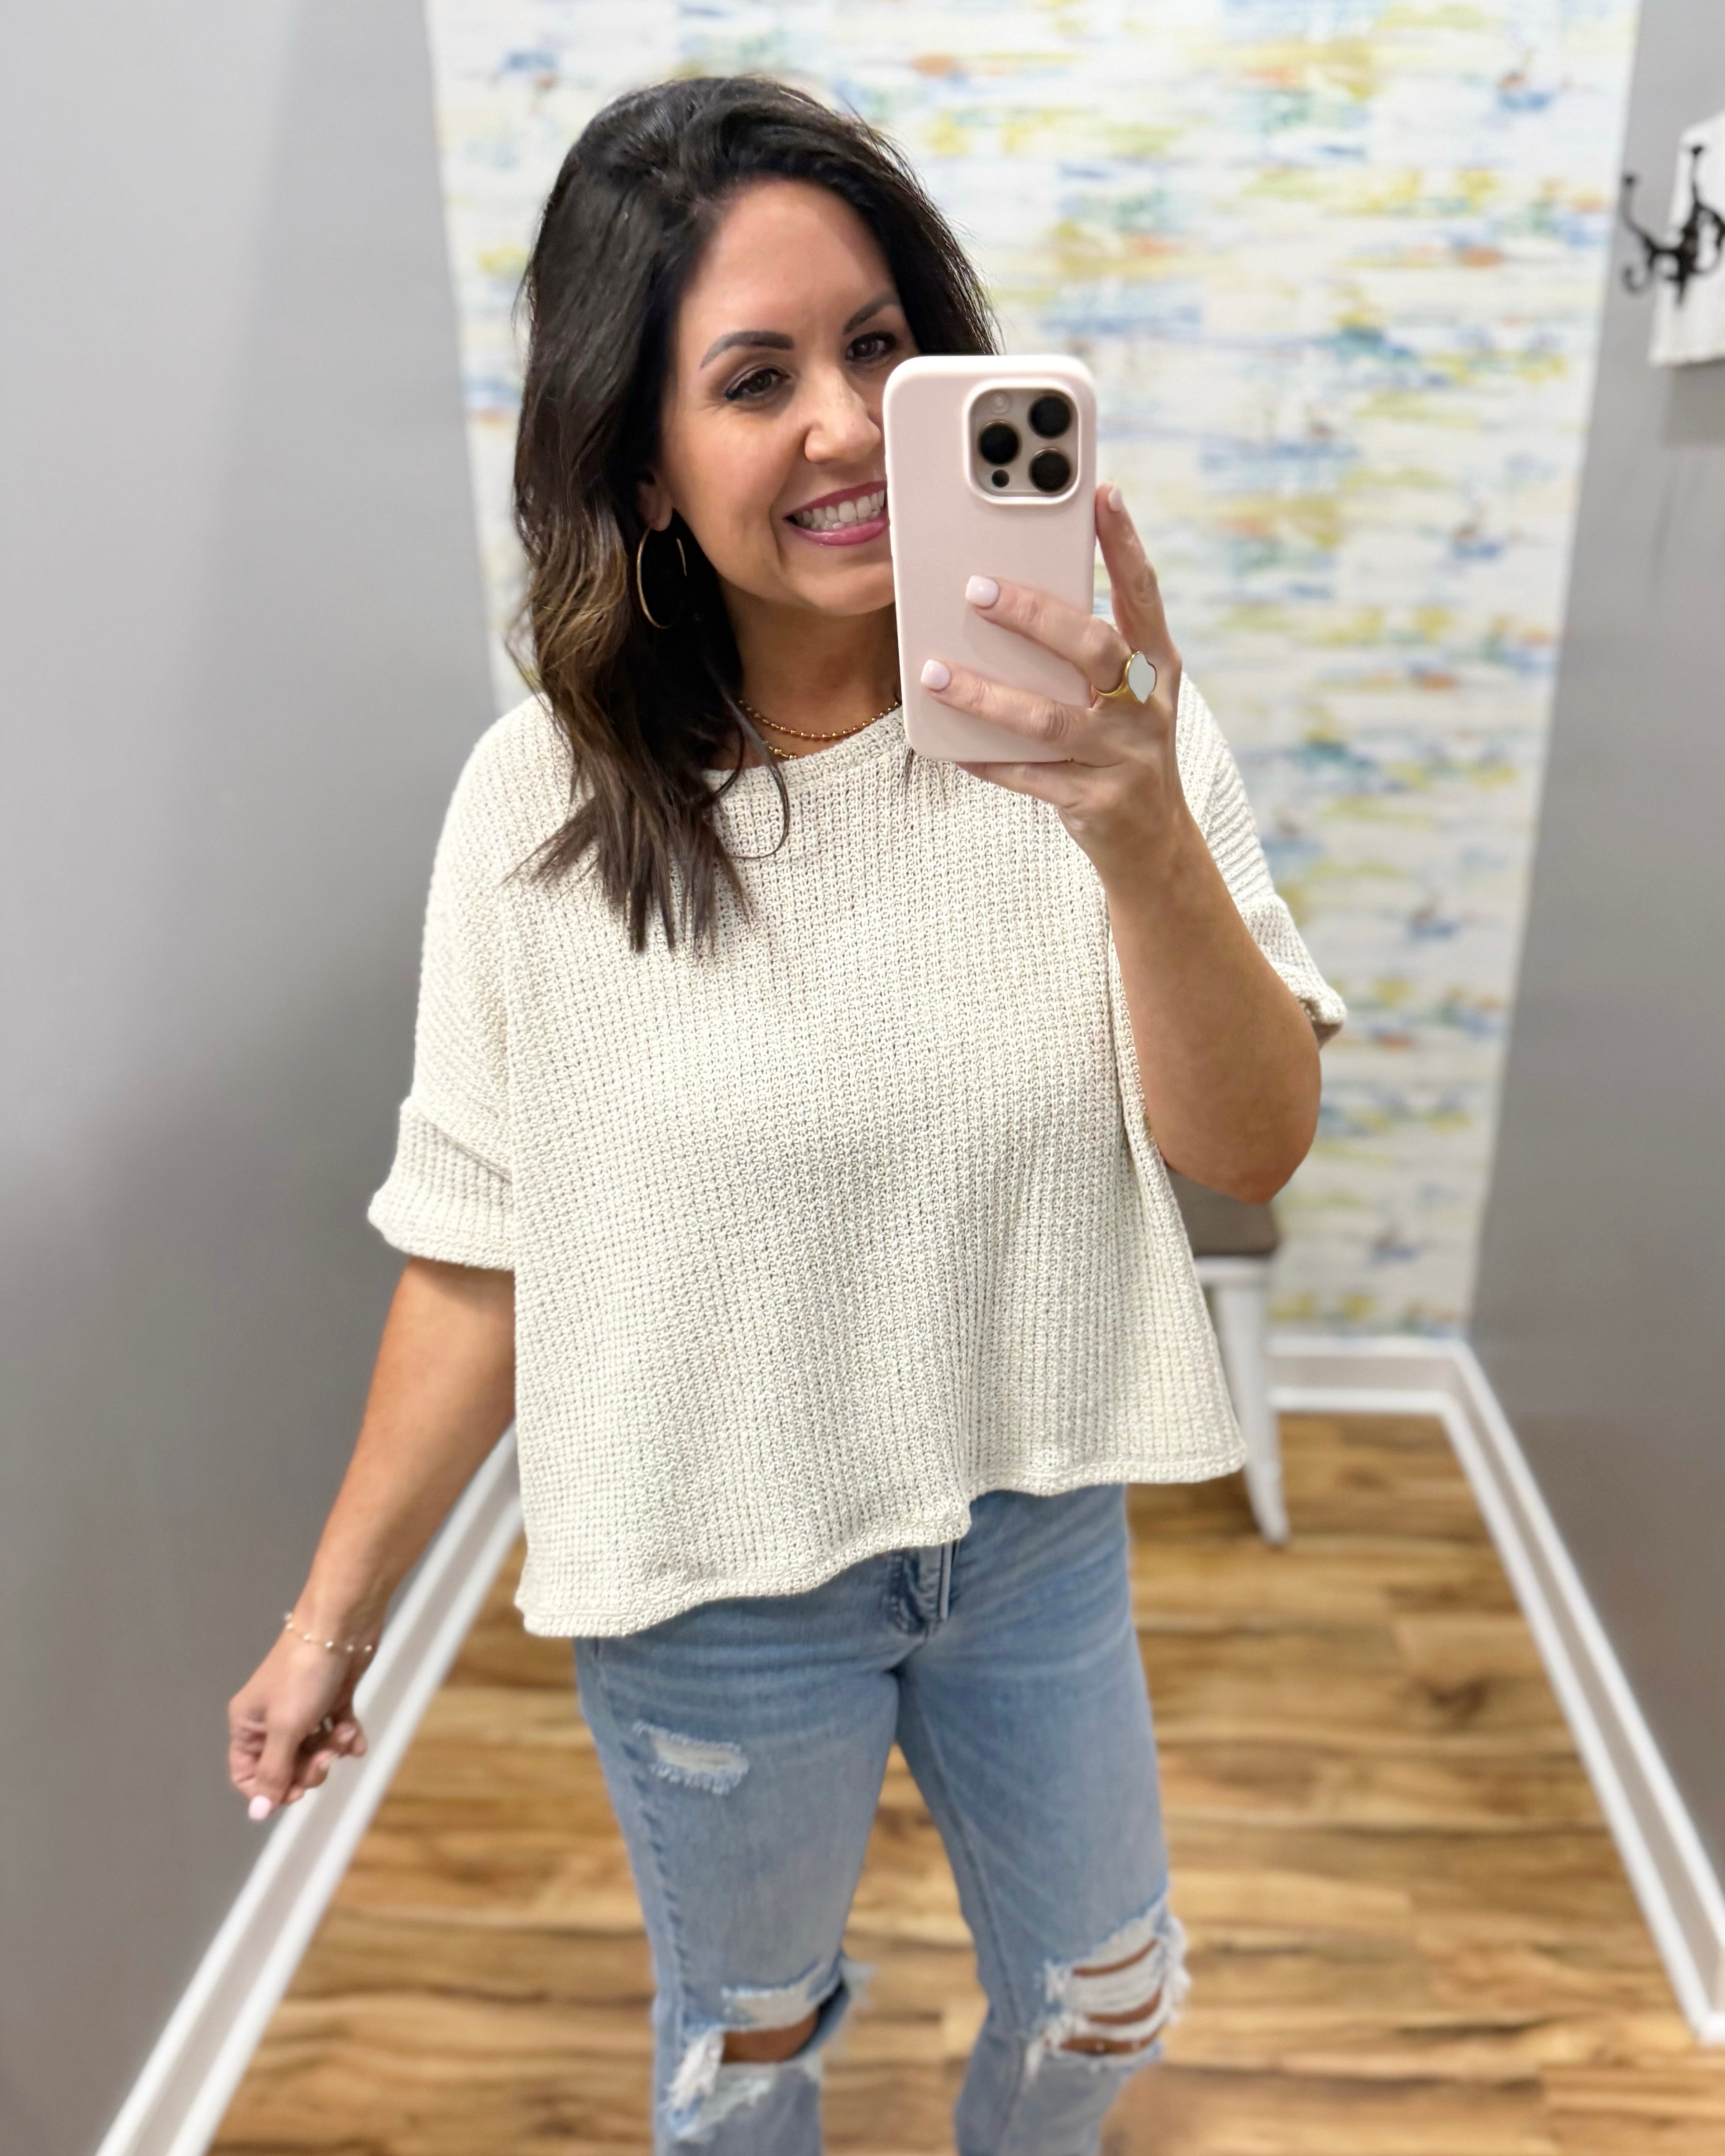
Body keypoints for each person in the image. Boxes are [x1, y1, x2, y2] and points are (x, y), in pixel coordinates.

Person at [227, 74, 1344, 2156]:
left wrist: (1139, 832)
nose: (843, 425)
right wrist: (328, 1623)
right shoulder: (536, 812)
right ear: (641, 468)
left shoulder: (1102, 726)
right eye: (754, 380)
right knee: (744, 2058)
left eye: (878, 353)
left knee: (1108, 2011)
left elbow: (1249, 1151)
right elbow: (480, 1250)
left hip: (1027, 1533)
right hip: (710, 1592)